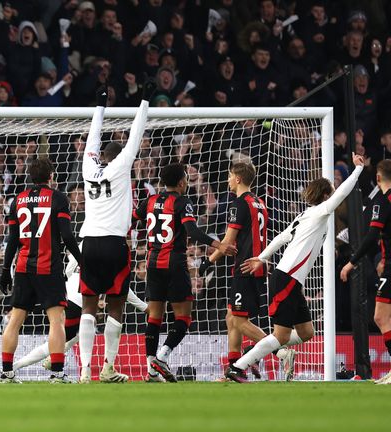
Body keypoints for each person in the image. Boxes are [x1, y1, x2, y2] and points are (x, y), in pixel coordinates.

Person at [227, 153, 365, 383]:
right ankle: (239, 366)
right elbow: (342, 193)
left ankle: (258, 350)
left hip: (291, 279)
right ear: (325, 195)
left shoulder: (305, 215)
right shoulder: (320, 212)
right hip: (287, 278)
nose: (334, 197)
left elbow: (281, 237)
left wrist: (261, 258)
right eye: (330, 193)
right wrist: (358, 170)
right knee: (280, 335)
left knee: (306, 333)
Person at [134, 163, 236, 382]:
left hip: (152, 263)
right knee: (184, 317)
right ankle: (161, 357)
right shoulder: (182, 202)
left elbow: (134, 218)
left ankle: (151, 370)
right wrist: (219, 245)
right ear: (181, 182)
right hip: (174, 263)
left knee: (154, 316)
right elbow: (192, 231)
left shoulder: (149, 201)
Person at [76, 89, 148, 384]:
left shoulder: (88, 166)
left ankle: (83, 370)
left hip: (89, 243)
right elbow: (136, 134)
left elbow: (92, 138)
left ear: (100, 156)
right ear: (119, 158)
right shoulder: (122, 165)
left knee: (88, 307)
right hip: (116, 244)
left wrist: (100, 104)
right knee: (116, 305)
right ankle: (107, 368)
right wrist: (143, 101)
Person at [204, 162, 295, 380]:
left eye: (229, 176)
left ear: (237, 179)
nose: (227, 180)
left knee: (238, 321)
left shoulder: (238, 204)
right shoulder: (260, 202)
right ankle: (234, 369)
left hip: (245, 268)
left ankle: (281, 352)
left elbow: (227, 241)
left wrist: (208, 261)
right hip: (257, 267)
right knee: (231, 317)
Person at [0, 157, 82, 384]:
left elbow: (13, 239)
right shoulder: (58, 198)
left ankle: (6, 373)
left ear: (30, 177)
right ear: (51, 176)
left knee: (15, 319)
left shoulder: (18, 200)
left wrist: (6, 270)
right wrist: (81, 259)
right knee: (56, 319)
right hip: (49, 267)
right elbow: (66, 235)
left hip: (24, 266)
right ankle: (56, 373)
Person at [12, 247, 148, 374]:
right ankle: (17, 365)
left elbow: (70, 268)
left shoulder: (85, 243)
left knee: (82, 329)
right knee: (58, 341)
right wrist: (144, 307)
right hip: (78, 303)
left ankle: (52, 356)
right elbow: (124, 289)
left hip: (65, 296)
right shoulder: (113, 248)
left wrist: (67, 284)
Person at [340, 159, 391, 384]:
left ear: (378, 178)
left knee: (380, 316)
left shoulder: (382, 201)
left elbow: (371, 237)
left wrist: (352, 262)